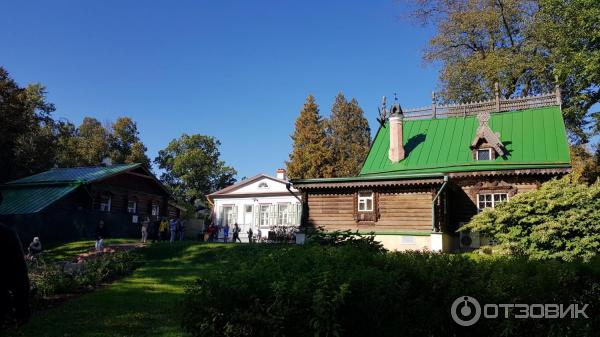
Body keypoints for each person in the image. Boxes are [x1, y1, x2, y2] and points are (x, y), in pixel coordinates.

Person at [0, 223, 30, 327]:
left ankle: (19, 316)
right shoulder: (8, 232)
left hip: (12, 266)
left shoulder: (8, 233)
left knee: (19, 289)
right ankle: (9, 316)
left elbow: (18, 258)